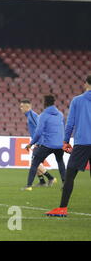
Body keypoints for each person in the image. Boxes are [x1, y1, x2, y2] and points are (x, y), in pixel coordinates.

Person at [46, 75, 91, 217]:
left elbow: (70, 122)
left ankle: (62, 209)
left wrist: (65, 141)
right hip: (83, 143)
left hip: (82, 143)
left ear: (86, 84)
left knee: (70, 175)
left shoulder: (77, 100)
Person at [23, 95, 66, 191]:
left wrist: (31, 143)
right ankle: (64, 183)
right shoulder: (60, 114)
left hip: (47, 144)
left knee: (34, 163)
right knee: (60, 162)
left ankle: (29, 186)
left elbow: (38, 132)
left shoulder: (43, 115)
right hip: (59, 144)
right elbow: (62, 128)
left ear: (45, 103)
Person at [19, 100, 56, 187]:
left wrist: (38, 142)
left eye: (22, 106)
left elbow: (41, 128)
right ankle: (42, 181)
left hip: (40, 142)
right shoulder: (30, 115)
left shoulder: (32, 115)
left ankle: (51, 178)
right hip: (39, 141)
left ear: (27, 107)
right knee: (35, 162)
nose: (20, 108)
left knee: (35, 162)